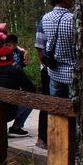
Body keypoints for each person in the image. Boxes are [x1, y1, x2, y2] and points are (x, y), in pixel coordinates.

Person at [0, 46, 36, 137]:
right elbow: (30, 89)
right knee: (32, 98)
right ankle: (16, 128)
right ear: (12, 58)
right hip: (7, 113)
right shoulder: (15, 69)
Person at [41, 0, 75, 98]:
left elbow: (43, 43)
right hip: (72, 74)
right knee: (73, 111)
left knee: (56, 111)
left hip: (54, 72)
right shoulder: (72, 19)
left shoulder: (45, 18)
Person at [34, 20, 49, 149]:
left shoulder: (44, 20)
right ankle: (43, 137)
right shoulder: (71, 17)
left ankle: (42, 138)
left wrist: (44, 65)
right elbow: (39, 47)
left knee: (46, 101)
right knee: (47, 102)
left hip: (47, 68)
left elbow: (39, 46)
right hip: (51, 70)